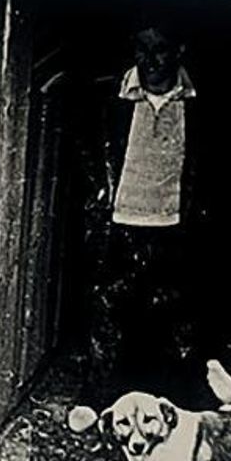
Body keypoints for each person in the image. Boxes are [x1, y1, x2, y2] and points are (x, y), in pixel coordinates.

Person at [84, 23, 207, 407]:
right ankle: (102, 402)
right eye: (142, 49)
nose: (150, 61)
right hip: (120, 223)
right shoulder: (111, 95)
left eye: (160, 50)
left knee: (171, 317)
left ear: (179, 50)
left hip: (174, 225)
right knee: (111, 315)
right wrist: (99, 203)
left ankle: (170, 403)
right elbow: (90, 155)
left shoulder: (198, 101)